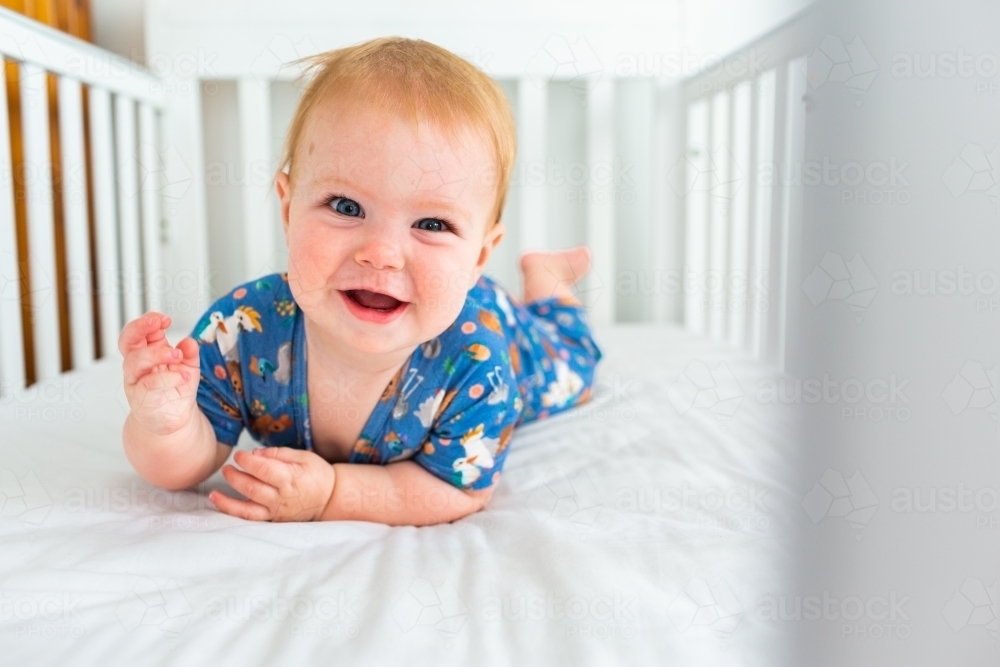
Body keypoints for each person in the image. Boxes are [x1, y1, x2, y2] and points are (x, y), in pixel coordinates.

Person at [118, 37, 602, 526]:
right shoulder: (243, 329)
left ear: (478, 255)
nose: (381, 254)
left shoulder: (475, 361)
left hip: (510, 329)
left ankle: (547, 281)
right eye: (346, 208)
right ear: (288, 210)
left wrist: (334, 494)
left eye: (432, 225)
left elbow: (456, 490)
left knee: (575, 369)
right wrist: (165, 425)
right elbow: (185, 466)